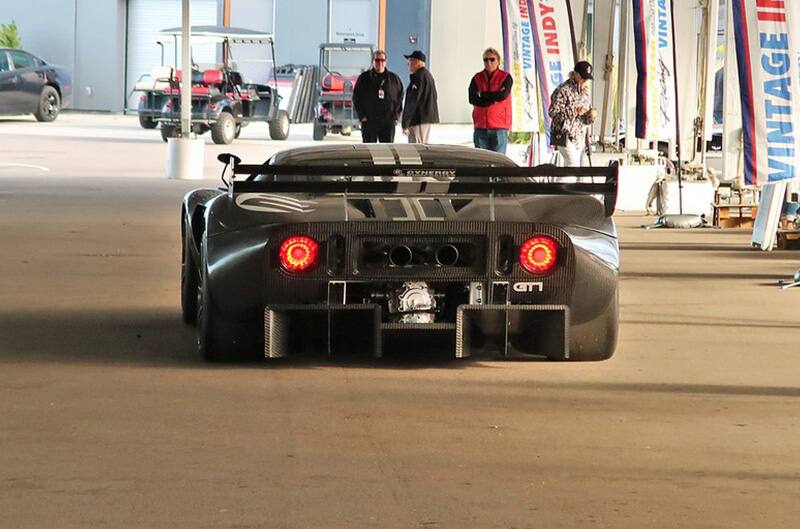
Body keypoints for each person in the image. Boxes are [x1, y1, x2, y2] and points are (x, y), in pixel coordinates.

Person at [548, 60, 597, 166]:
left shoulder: (585, 93)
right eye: (583, 77)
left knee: (573, 168)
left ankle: (563, 183)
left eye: (587, 78)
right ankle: (562, 183)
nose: (584, 80)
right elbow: (552, 112)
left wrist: (590, 116)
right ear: (575, 74)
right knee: (572, 165)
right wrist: (573, 111)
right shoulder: (563, 90)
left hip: (579, 137)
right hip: (564, 134)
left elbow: (585, 119)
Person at [352, 49, 404, 143]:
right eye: (377, 60)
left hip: (388, 123)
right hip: (369, 122)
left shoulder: (394, 79)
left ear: (386, 62)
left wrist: (395, 117)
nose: (380, 62)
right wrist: (362, 116)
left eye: (382, 60)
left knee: (387, 152)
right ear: (373, 62)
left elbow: (400, 98)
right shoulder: (364, 78)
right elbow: (356, 98)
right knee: (369, 151)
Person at [469, 47, 513, 154]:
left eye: (492, 59)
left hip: (499, 128)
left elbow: (502, 95)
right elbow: (472, 99)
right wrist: (491, 99)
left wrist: (483, 95)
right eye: (486, 59)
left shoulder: (506, 77)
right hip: (480, 127)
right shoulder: (477, 78)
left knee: (498, 163)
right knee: (481, 163)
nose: (489, 62)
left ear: (498, 61)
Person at [401, 50, 439, 144]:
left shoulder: (419, 77)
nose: (408, 63)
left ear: (417, 62)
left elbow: (413, 101)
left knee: (416, 149)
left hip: (418, 120)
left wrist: (405, 122)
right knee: (422, 145)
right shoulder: (427, 76)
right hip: (424, 119)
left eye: (410, 60)